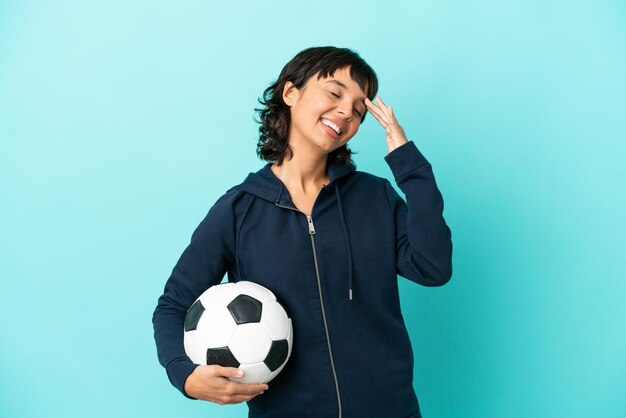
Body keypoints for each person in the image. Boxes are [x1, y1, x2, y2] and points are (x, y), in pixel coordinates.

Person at [152, 46, 453, 418]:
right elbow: (173, 305)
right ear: (291, 93)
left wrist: (409, 165)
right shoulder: (238, 210)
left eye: (359, 109)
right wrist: (185, 375)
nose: (347, 111)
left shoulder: (375, 197)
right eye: (334, 92)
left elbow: (433, 268)